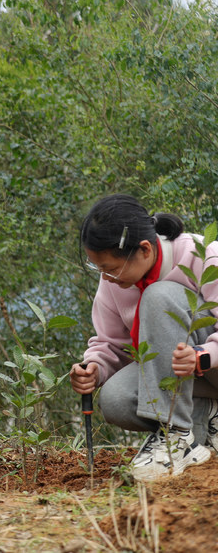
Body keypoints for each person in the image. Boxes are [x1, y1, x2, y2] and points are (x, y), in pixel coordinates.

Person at [70, 194, 218, 481]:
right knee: (116, 399)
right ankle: (207, 424)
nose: (106, 277)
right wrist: (95, 368)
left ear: (145, 249)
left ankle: (174, 437)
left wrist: (203, 354)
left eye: (110, 268)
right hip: (189, 377)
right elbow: (111, 343)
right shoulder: (114, 281)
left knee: (159, 295)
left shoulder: (203, 256)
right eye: (98, 268)